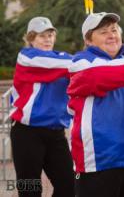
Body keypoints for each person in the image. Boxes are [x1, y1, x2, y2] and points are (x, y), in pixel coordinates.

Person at [67, 12, 124, 197]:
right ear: (88, 40)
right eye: (103, 32)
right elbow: (97, 77)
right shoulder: (81, 64)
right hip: (98, 164)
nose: (111, 35)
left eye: (114, 29)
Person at [10, 17, 75, 197]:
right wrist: (85, 61)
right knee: (30, 189)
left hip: (55, 134)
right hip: (27, 133)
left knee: (69, 186)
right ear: (31, 39)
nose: (47, 39)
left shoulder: (63, 59)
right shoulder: (27, 57)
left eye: (50, 35)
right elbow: (70, 65)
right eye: (41, 36)